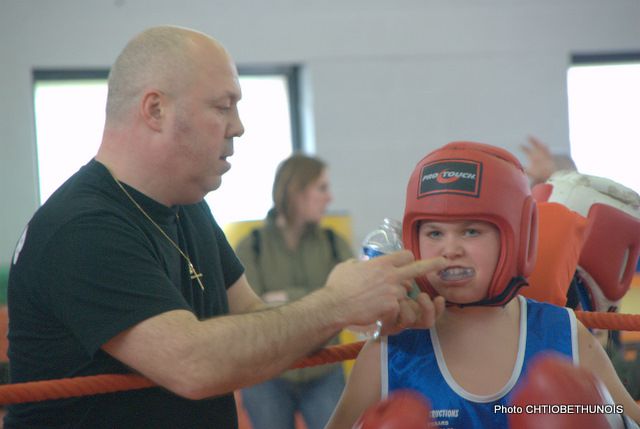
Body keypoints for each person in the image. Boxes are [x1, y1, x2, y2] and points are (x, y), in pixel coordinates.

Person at [4, 26, 445, 428]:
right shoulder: (83, 227)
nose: (238, 126)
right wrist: (334, 304)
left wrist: (368, 309)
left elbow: (256, 322)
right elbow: (191, 364)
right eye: (223, 106)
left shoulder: (186, 206)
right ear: (155, 109)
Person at [325, 141, 640, 429]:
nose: (450, 250)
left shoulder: (564, 334)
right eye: (434, 233)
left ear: (516, 238)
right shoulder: (391, 352)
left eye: (471, 231)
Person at [235, 154, 352, 429]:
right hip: (266, 376)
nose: (330, 198)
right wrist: (323, 298)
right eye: (322, 188)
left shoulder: (334, 243)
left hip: (325, 370)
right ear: (295, 191)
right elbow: (249, 315)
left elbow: (351, 300)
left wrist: (281, 298)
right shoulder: (251, 246)